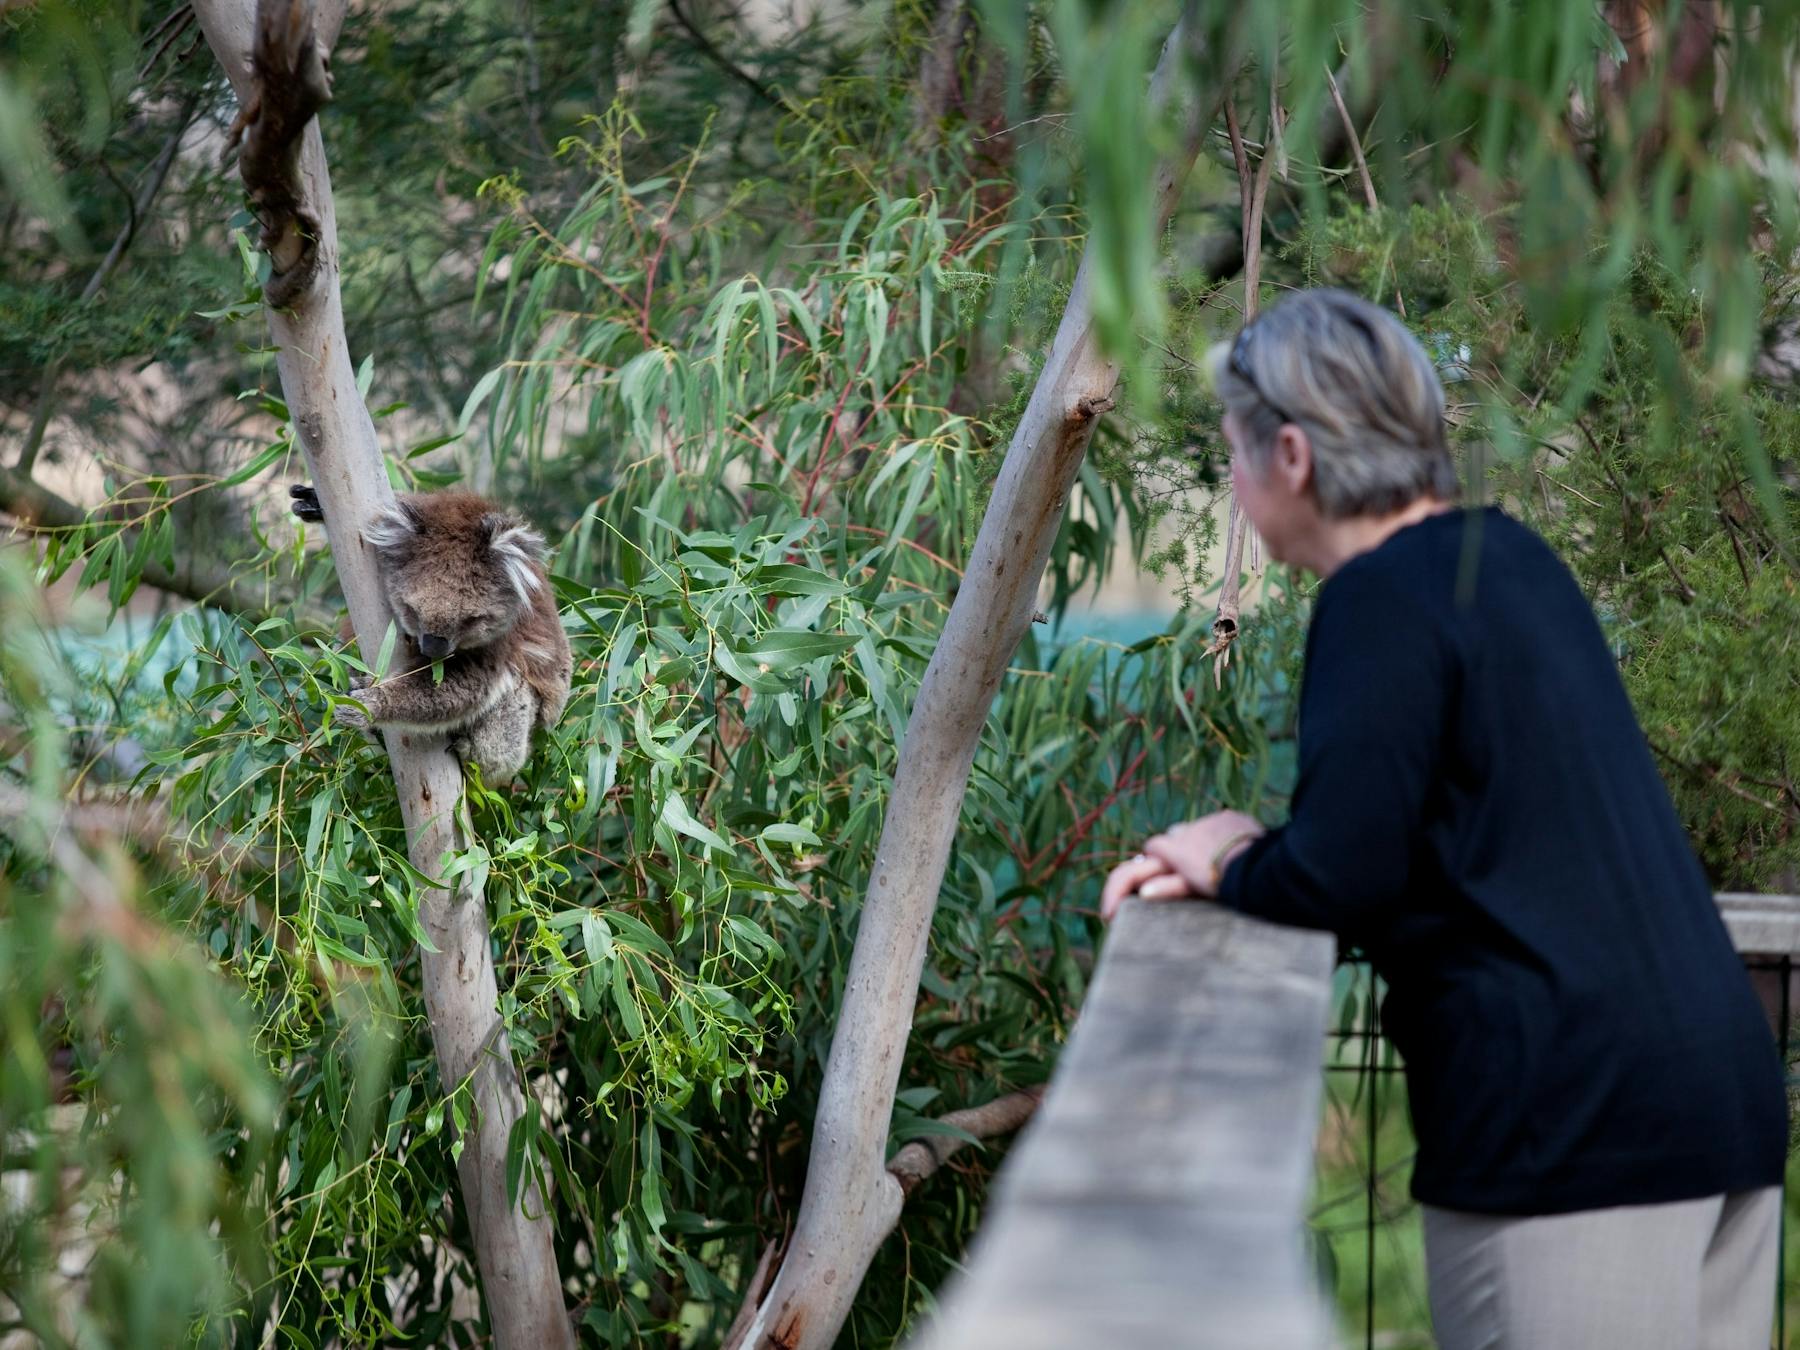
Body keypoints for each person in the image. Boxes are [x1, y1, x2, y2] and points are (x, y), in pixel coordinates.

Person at [1100, 288, 1788, 1350]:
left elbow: (1338, 875)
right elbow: (1429, 842)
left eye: (1233, 452)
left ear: (1292, 455)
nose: (1232, 482)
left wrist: (1228, 857)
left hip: (1570, 1136)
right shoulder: (1508, 559)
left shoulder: (1380, 597)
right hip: (1719, 1101)